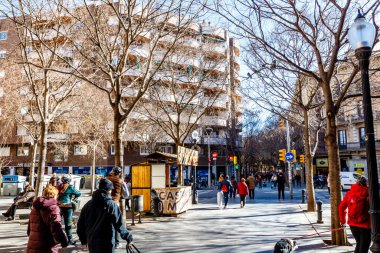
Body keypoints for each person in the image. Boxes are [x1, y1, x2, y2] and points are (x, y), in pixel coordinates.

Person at [77, 178, 133, 253]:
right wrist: (128, 238)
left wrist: (83, 241)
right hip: (107, 242)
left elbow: (80, 225)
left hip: (92, 242)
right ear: (109, 190)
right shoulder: (111, 205)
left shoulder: (88, 205)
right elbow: (119, 224)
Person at [26, 185, 68, 253]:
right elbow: (56, 227)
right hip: (47, 245)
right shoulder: (53, 208)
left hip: (33, 244)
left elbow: (29, 229)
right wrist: (63, 242)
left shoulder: (35, 207)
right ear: (55, 195)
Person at [339, 176, 371, 253]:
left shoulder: (349, 193)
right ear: (366, 184)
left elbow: (341, 207)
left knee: (359, 243)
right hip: (365, 225)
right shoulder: (368, 193)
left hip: (352, 224)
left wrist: (343, 221)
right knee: (364, 246)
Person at [57, 175, 81, 245]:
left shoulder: (58, 186)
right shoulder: (70, 187)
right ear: (69, 180)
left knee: (57, 223)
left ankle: (58, 239)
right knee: (68, 223)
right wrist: (74, 197)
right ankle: (70, 239)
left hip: (58, 206)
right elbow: (78, 193)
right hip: (67, 206)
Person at [106, 166, 124, 248]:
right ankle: (116, 243)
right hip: (115, 202)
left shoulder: (106, 179)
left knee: (106, 222)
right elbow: (126, 194)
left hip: (106, 202)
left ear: (112, 172)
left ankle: (106, 241)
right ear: (119, 173)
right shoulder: (121, 181)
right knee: (116, 222)